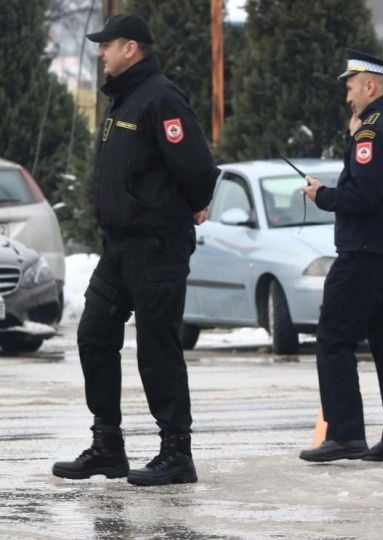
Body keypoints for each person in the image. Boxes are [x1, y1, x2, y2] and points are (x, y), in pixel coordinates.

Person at [52, 14, 219, 486]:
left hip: (157, 245)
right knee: (94, 335)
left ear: (130, 48)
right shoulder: (123, 98)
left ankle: (176, 453)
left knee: (156, 347)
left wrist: (193, 205)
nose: (100, 52)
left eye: (106, 45)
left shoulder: (161, 97)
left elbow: (199, 168)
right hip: (120, 247)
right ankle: (108, 445)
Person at [298, 49, 383, 463]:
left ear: (371, 86)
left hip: (365, 253)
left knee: (334, 338)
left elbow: (364, 195)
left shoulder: (371, 132)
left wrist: (322, 195)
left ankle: (345, 433)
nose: (348, 97)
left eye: (352, 87)